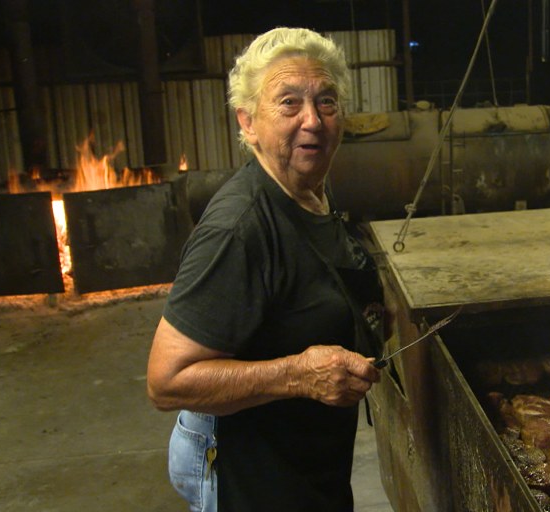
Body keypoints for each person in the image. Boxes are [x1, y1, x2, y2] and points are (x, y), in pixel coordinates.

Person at [146, 27, 385, 512]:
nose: (313, 121)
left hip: (304, 462)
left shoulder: (310, 188)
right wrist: (298, 375)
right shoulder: (240, 228)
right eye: (289, 103)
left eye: (327, 101)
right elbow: (167, 381)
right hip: (247, 471)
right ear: (248, 121)